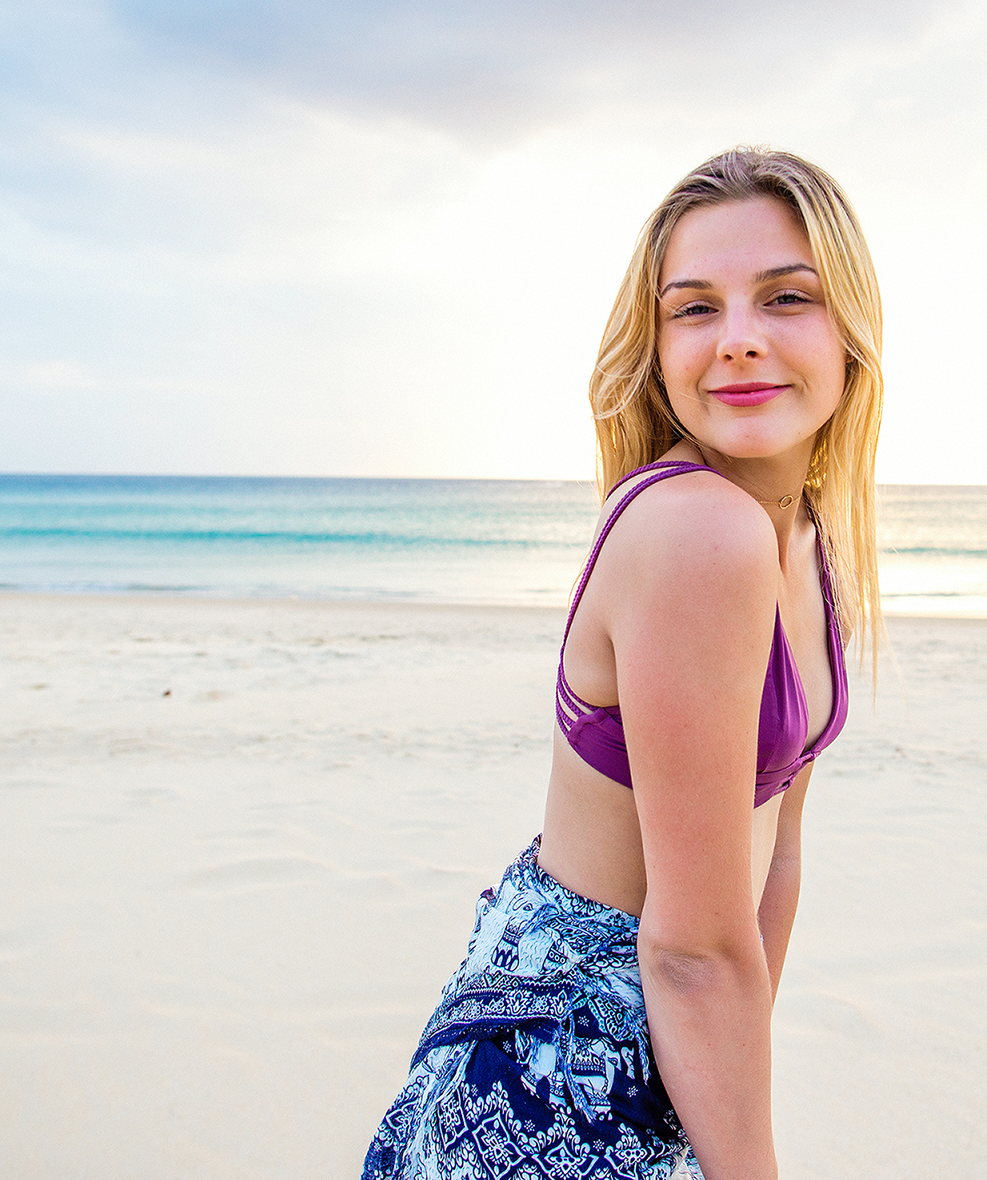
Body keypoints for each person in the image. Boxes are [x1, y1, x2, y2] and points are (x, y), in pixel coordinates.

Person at [362, 147, 884, 1180]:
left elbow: (770, 860)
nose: (737, 340)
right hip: (554, 1076)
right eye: (693, 309)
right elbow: (689, 947)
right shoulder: (700, 533)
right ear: (654, 347)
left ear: (849, 330)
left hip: (652, 1047)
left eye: (785, 297)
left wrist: (717, 1110)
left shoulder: (806, 543)